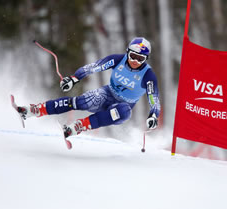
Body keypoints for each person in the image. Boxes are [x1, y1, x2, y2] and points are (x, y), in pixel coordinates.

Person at [16, 37, 160, 138]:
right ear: (127, 52)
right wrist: (74, 79)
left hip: (122, 105)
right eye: (133, 56)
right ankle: (35, 110)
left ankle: (79, 126)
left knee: (124, 112)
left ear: (146, 59)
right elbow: (93, 67)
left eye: (140, 59)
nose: (135, 61)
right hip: (107, 94)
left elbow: (154, 99)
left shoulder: (148, 75)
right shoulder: (117, 60)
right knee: (83, 102)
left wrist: (153, 115)